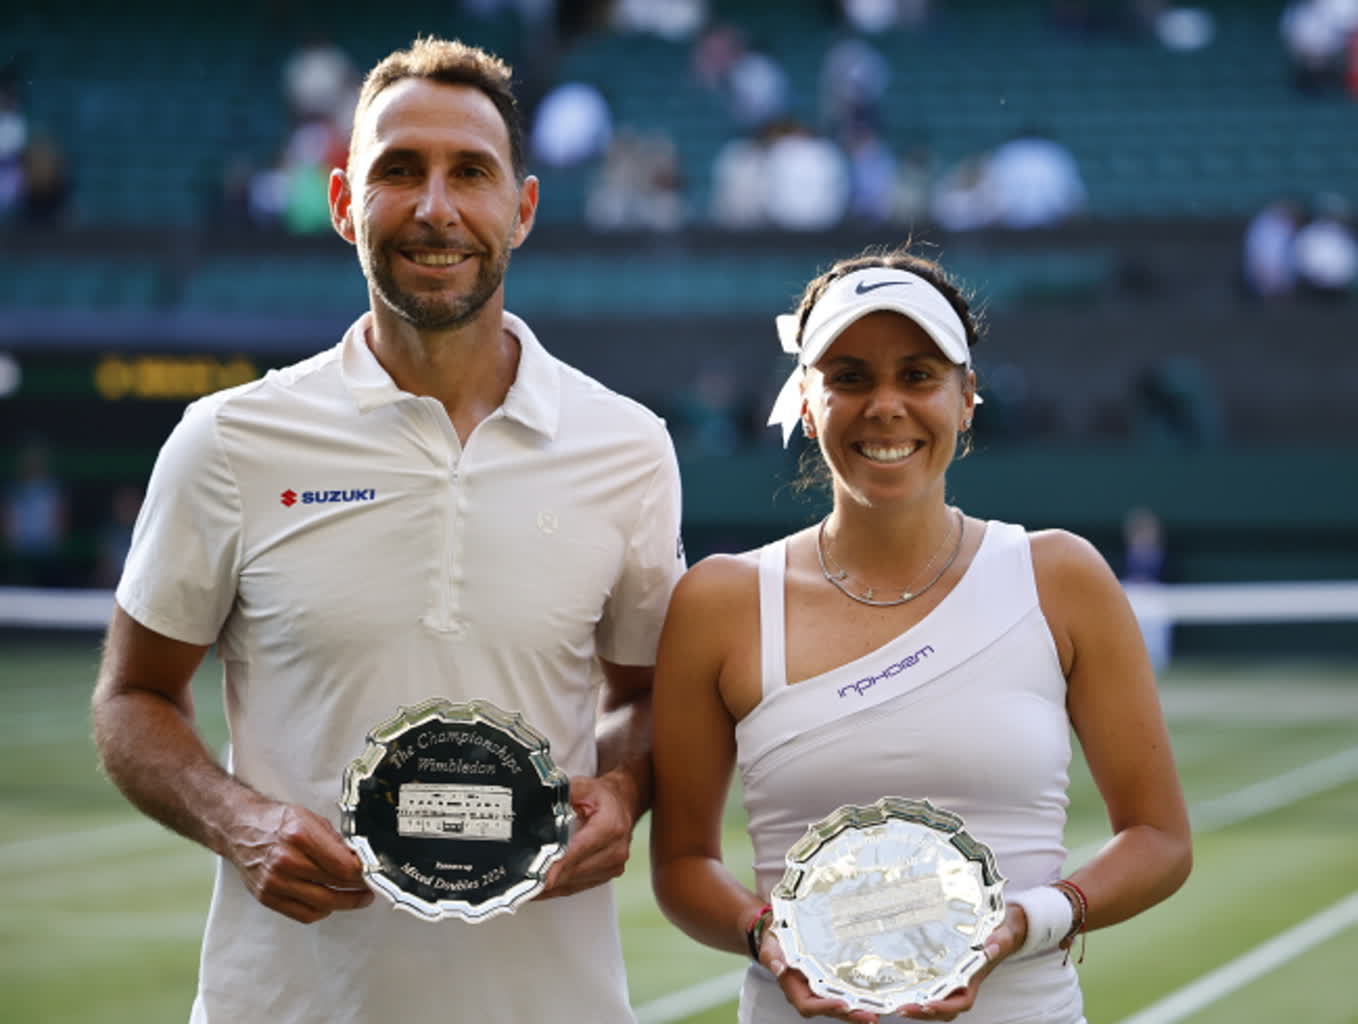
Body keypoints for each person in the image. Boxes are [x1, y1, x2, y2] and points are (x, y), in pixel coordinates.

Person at [90, 36, 684, 1024]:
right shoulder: (228, 440)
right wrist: (238, 821)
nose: (434, 208)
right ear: (342, 202)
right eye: (398, 170)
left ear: (523, 209)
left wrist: (622, 790)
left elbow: (646, 696)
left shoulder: (627, 447)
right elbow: (132, 695)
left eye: (471, 173)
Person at [650, 247, 1191, 1023]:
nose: (886, 406)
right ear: (806, 400)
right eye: (849, 377)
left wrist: (1030, 921)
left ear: (966, 398)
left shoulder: (1062, 577)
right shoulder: (719, 601)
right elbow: (682, 864)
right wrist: (766, 934)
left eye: (918, 375)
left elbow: (1160, 838)